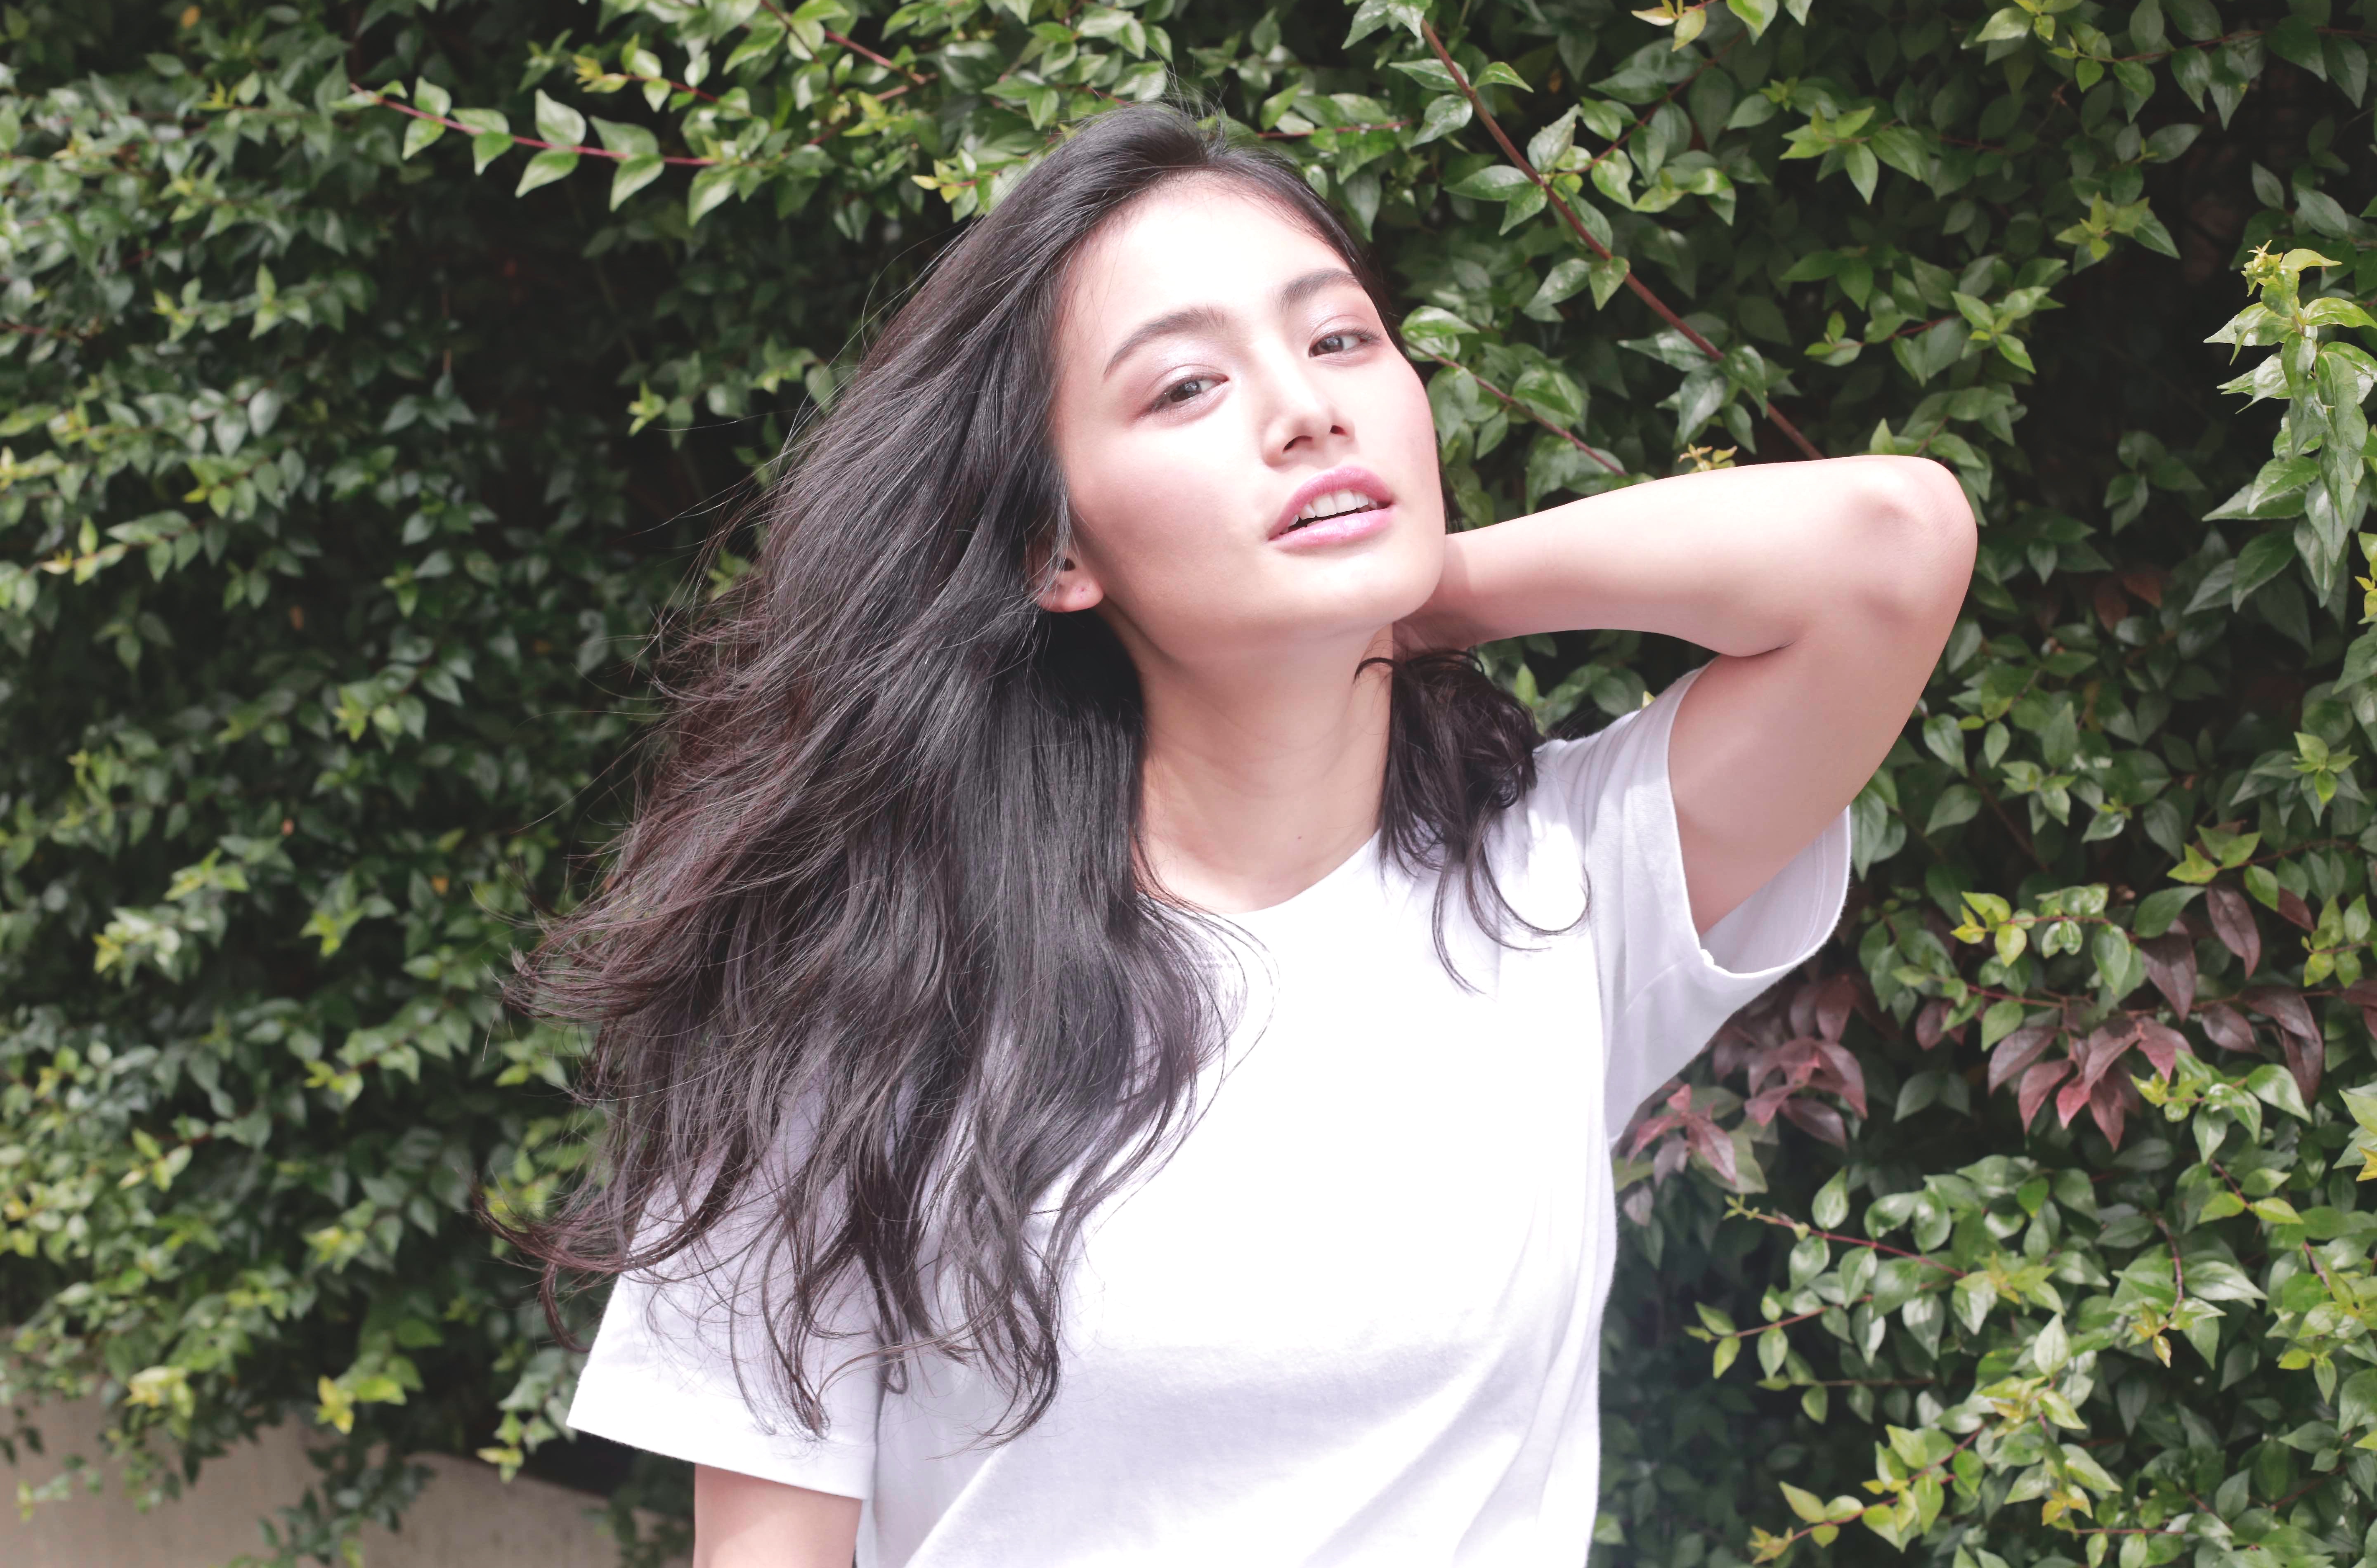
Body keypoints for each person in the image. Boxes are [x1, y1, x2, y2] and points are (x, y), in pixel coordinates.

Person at [515, 102, 1975, 1567]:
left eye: (1340, 339)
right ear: (1055, 546)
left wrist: (1418, 585)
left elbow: (1890, 548)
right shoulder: (868, 978)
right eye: (1187, 386)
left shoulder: (1558, 883)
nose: (1306, 410)